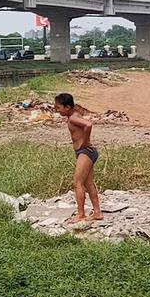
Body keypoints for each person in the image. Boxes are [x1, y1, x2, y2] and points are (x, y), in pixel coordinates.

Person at [54, 93, 101, 223]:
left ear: (67, 107)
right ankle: (97, 212)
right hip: (85, 152)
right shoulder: (75, 114)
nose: (57, 110)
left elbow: (88, 125)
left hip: (85, 152)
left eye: (58, 108)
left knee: (78, 183)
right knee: (88, 183)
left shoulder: (73, 118)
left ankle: (81, 214)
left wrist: (85, 141)